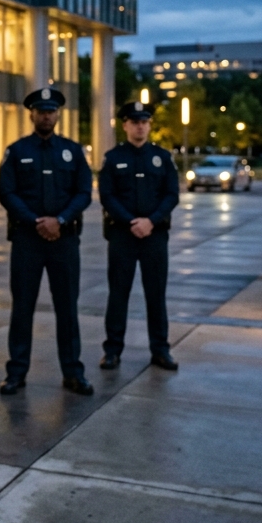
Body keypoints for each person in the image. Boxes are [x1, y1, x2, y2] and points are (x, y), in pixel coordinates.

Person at [0, 88, 93, 396]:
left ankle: (73, 372)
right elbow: (8, 194)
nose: (46, 115)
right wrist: (37, 221)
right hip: (27, 240)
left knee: (67, 308)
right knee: (22, 308)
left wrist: (60, 220)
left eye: (51, 111)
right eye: (41, 111)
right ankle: (16, 373)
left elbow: (83, 193)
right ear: (32, 114)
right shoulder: (16, 151)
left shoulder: (73, 151)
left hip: (64, 241)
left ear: (58, 114)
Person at [98, 101, 180, 371]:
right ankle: (112, 350)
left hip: (154, 236)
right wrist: (131, 221)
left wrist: (151, 221)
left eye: (144, 122)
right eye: (134, 122)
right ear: (125, 125)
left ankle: (160, 349)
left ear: (149, 125)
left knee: (156, 295)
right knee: (118, 295)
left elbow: (171, 195)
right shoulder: (113, 158)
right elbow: (107, 196)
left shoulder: (162, 157)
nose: (140, 126)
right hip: (123, 235)